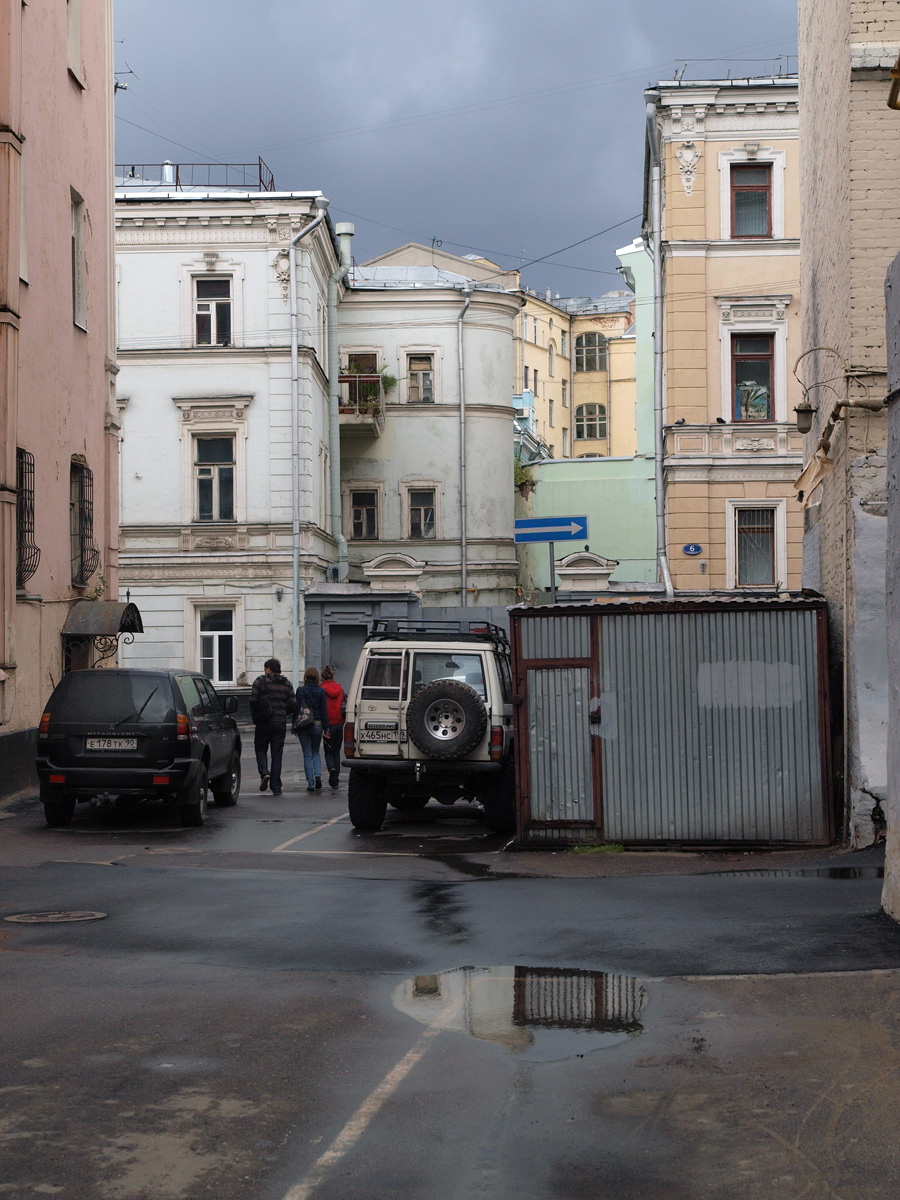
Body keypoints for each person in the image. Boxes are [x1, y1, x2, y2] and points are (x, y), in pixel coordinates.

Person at [250, 658, 295, 796]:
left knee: (260, 749)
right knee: (277, 755)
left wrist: (258, 715)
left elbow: (252, 700)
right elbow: (293, 704)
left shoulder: (260, 681)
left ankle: (264, 773)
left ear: (268, 669)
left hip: (264, 722)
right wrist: (282, 712)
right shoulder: (287, 684)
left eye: (265, 669)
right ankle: (276, 786)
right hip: (280, 723)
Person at [294, 666, 329, 792]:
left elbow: (297, 709)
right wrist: (326, 727)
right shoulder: (321, 691)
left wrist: (294, 726)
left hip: (303, 725)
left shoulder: (300, 690)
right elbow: (324, 711)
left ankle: (310, 783)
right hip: (317, 725)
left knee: (307, 754)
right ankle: (318, 775)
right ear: (317, 678)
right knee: (316, 752)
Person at [320, 665, 345, 789]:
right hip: (339, 723)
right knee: (336, 751)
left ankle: (331, 769)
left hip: (328, 724)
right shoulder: (340, 688)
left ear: (322, 677)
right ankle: (336, 779)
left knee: (328, 751)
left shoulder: (321, 689)